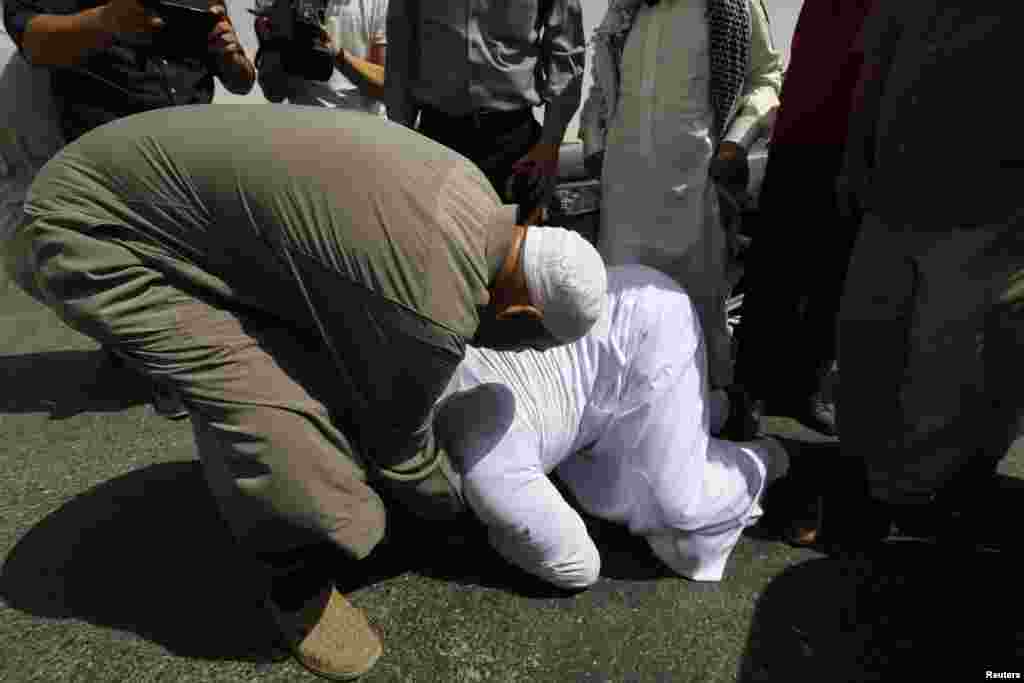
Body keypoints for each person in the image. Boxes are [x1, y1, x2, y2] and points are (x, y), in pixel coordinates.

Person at [4, 104, 608, 680]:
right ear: (522, 307)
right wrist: (456, 509)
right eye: (530, 345)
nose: (517, 354)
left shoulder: (470, 190)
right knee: (275, 410)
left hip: (118, 183)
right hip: (86, 231)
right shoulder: (430, 305)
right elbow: (400, 448)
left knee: (319, 364)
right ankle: (291, 577)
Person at [434, 264, 791, 589]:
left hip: (646, 325)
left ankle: (770, 455)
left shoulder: (491, 467)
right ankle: (715, 409)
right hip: (615, 318)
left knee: (679, 507)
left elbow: (577, 567)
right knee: (607, 478)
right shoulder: (427, 348)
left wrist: (500, 531)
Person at [3, 0, 257, 419]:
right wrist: (105, 20)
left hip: (193, 148)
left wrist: (232, 57)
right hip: (113, 154)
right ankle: (157, 360)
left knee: (204, 267)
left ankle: (161, 353)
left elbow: (242, 80)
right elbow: (33, 40)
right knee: (129, 268)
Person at [830, 1, 1024, 547]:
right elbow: (874, 71)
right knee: (867, 348)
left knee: (944, 363)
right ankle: (867, 490)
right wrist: (853, 166)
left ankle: (919, 503)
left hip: (984, 206)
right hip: (890, 198)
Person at [580, 0, 782, 391]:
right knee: (620, 326)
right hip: (624, 200)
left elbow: (766, 77)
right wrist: (593, 143)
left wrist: (736, 143)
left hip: (694, 197)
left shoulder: (731, 7)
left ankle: (705, 430)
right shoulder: (626, 8)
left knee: (696, 332)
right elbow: (602, 87)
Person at [731, 0, 876, 437]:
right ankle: (749, 390)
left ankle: (805, 387)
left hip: (856, 142)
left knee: (833, 273)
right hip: (799, 138)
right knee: (774, 267)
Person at [384, 0, 585, 218]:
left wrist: (550, 143)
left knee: (512, 248)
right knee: (434, 246)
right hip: (437, 141)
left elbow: (566, 54)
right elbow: (399, 53)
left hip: (515, 148)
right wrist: (401, 146)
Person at [253, 0, 387, 114]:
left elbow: (385, 89)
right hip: (307, 129)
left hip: (362, 128)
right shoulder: (282, 5)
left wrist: (337, 55)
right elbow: (273, 93)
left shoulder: (376, 3)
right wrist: (273, 44)